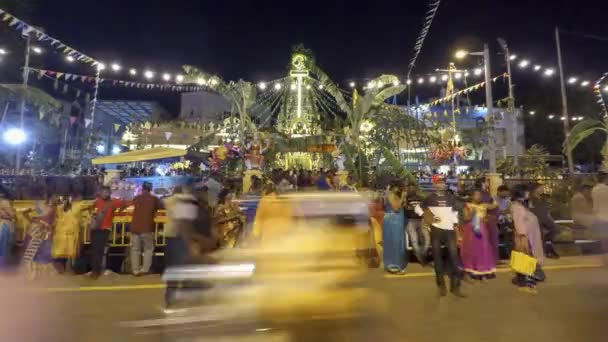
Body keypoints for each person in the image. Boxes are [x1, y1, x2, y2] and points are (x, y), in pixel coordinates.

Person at [421, 177, 464, 297]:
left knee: (454, 258)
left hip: (450, 231)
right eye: (439, 183)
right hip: (436, 231)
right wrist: (429, 219)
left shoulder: (451, 198)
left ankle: (455, 287)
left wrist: (457, 229)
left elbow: (455, 213)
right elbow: (420, 208)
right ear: (435, 185)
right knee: (437, 258)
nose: (441, 184)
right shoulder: (429, 198)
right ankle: (441, 285)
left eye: (443, 182)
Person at [89, 186, 129, 279]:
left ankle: (95, 271)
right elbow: (125, 203)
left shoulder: (105, 201)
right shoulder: (104, 201)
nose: (105, 194)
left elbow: (124, 203)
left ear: (109, 193)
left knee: (98, 250)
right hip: (97, 228)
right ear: (100, 192)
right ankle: (96, 270)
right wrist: (120, 210)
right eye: (103, 192)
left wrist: (120, 209)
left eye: (106, 192)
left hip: (102, 229)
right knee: (96, 250)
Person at [511, 186, 544, 292]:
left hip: (529, 236)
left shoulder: (522, 205)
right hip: (524, 237)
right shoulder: (517, 207)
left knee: (526, 259)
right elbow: (519, 223)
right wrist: (523, 238)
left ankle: (525, 282)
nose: (528, 194)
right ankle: (525, 284)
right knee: (525, 258)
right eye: (526, 192)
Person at [460, 189, 497, 280]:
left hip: (482, 229)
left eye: (480, 195)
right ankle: (471, 268)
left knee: (484, 249)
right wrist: (473, 213)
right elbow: (466, 218)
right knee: (472, 249)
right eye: (476, 195)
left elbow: (495, 206)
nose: (479, 197)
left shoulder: (484, 205)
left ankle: (483, 270)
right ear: (472, 196)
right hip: (471, 230)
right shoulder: (467, 206)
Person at [20, 195, 59, 279]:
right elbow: (27, 215)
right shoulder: (40, 208)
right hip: (35, 233)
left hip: (43, 234)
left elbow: (50, 223)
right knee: (33, 254)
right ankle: (33, 274)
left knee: (42, 255)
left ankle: (39, 274)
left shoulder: (53, 210)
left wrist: (43, 224)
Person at [130, 182, 162, 276]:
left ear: (142, 188)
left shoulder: (136, 198)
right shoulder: (154, 199)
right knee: (148, 249)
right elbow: (161, 206)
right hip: (147, 227)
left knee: (135, 249)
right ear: (151, 189)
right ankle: (145, 269)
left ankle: (135, 270)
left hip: (135, 227)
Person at [528, 183, 560, 259]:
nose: (542, 189)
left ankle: (547, 250)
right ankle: (545, 251)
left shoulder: (542, 198)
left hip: (544, 220)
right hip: (537, 221)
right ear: (535, 189)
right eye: (540, 188)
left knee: (554, 230)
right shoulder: (531, 199)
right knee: (542, 234)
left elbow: (545, 211)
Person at [382, 182, 407, 274]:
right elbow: (396, 208)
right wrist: (402, 198)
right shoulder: (391, 194)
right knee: (394, 243)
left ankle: (395, 265)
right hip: (393, 221)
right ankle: (393, 265)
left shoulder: (395, 194)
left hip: (398, 220)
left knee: (399, 243)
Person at [476, 177, 499, 263]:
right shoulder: (481, 193)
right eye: (486, 181)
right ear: (482, 183)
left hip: (489, 219)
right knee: (488, 240)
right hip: (485, 219)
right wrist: (492, 206)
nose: (488, 183)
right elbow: (486, 205)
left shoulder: (486, 193)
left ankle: (492, 258)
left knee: (491, 239)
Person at [404, 182, 428, 264]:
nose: (411, 190)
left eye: (412, 188)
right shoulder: (405, 199)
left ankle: (422, 254)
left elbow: (425, 208)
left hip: (421, 220)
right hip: (411, 221)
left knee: (426, 240)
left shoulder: (421, 198)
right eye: (409, 188)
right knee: (414, 241)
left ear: (415, 189)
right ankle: (421, 258)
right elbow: (405, 211)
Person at [591, 172, 608, 261]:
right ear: (605, 179)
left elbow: (595, 207)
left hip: (600, 218)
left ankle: (605, 258)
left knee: (604, 239)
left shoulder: (594, 190)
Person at [0, 187, 16, 269]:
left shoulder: (3, 202)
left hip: (3, 224)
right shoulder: (5, 202)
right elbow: (12, 215)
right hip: (5, 225)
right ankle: (4, 264)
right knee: (5, 245)